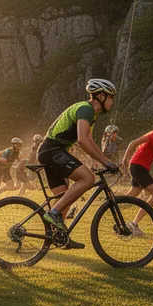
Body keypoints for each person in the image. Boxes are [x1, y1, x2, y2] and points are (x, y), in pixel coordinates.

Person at [37, 79, 120, 247]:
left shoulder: (91, 114)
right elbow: (82, 140)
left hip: (52, 151)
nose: (112, 102)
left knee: (64, 196)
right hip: (52, 150)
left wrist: (97, 161)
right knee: (87, 179)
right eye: (111, 97)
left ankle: (59, 237)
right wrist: (106, 162)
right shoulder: (85, 109)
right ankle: (53, 214)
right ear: (101, 96)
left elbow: (88, 141)